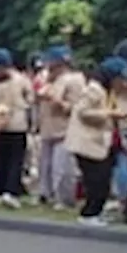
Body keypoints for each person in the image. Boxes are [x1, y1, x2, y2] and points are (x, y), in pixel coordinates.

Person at [67, 57, 127, 227]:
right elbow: (82, 112)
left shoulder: (108, 91)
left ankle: (95, 212)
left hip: (99, 143)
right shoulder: (94, 89)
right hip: (87, 143)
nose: (124, 83)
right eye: (122, 78)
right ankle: (88, 214)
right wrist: (109, 114)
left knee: (103, 179)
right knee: (97, 181)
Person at [35, 46, 84, 210]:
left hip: (64, 129)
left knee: (62, 167)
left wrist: (58, 102)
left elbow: (76, 107)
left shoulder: (75, 79)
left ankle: (64, 198)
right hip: (48, 128)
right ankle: (45, 193)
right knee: (45, 165)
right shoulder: (49, 80)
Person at [0, 48, 34, 208]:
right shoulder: (20, 79)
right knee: (12, 160)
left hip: (0, 123)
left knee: (2, 159)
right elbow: (30, 96)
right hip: (15, 122)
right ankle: (9, 191)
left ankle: (3, 190)